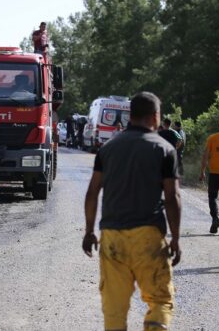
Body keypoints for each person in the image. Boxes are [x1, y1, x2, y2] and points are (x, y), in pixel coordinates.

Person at [83, 92, 182, 331]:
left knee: (114, 311)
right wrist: (175, 239)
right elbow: (172, 197)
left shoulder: (108, 149)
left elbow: (93, 192)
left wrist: (89, 232)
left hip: (112, 237)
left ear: (131, 115)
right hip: (147, 236)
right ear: (156, 116)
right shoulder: (165, 149)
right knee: (160, 300)